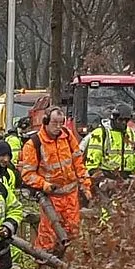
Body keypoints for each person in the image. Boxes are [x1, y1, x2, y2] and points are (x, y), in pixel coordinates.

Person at [19, 107, 92, 255]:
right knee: (48, 237)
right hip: (51, 198)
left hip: (71, 196)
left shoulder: (68, 136)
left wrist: (86, 186)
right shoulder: (34, 144)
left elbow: (79, 164)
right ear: (45, 122)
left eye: (61, 123)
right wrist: (44, 185)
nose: (58, 127)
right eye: (55, 123)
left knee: (73, 235)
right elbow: (28, 174)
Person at [85, 103, 135, 180]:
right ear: (114, 118)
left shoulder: (132, 134)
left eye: (126, 120)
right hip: (107, 176)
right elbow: (92, 162)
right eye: (121, 120)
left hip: (127, 177)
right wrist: (100, 179)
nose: (124, 122)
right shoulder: (101, 133)